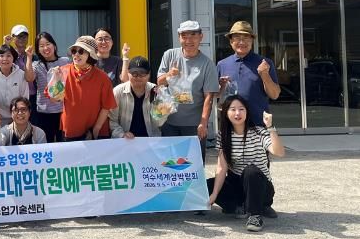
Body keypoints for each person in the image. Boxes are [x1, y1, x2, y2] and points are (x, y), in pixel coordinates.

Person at [208, 95, 285, 232]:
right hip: (239, 185)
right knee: (208, 185)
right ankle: (240, 207)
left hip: (261, 187)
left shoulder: (259, 132)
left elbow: (279, 152)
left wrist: (270, 127)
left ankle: (255, 215)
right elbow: (221, 167)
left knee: (251, 171)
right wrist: (214, 194)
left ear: (247, 112)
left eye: (241, 109)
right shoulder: (224, 135)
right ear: (226, 113)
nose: (237, 113)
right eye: (233, 109)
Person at [156, 20, 219, 163]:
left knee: (193, 164)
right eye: (184, 36)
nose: (189, 40)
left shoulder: (207, 64)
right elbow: (159, 81)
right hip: (168, 121)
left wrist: (203, 123)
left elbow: (208, 97)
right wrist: (169, 74)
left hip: (194, 125)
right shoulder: (169, 55)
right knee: (169, 164)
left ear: (201, 37)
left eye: (193, 35)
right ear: (179, 37)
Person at [217, 21, 281, 126]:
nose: (242, 42)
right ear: (231, 41)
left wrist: (264, 75)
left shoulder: (265, 63)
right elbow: (216, 95)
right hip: (230, 125)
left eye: (246, 38)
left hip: (257, 124)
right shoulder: (222, 64)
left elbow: (274, 95)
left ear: (252, 40)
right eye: (237, 38)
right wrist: (222, 86)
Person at [57, 36, 116, 141]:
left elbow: (106, 106)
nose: (76, 54)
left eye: (81, 51)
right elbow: (54, 98)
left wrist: (96, 128)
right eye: (74, 51)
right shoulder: (62, 71)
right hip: (71, 130)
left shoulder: (103, 77)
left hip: (96, 131)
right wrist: (55, 79)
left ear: (90, 55)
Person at [25, 32, 70, 142]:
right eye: (41, 46)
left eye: (48, 44)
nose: (45, 48)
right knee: (46, 145)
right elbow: (29, 78)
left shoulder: (65, 61)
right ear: (38, 50)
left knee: (63, 144)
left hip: (63, 111)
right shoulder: (37, 65)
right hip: (43, 113)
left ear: (54, 45)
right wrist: (29, 58)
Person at [109, 56, 161, 139]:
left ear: (149, 75)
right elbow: (112, 120)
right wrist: (121, 134)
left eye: (142, 74)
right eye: (134, 73)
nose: (138, 77)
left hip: (151, 139)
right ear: (128, 73)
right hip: (125, 141)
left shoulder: (155, 91)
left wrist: (164, 112)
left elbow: (159, 123)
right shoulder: (118, 92)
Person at [0, 44, 29, 128]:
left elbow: (25, 98)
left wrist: (16, 117)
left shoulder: (21, 74)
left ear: (13, 58)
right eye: (1, 56)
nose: (5, 59)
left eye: (8, 56)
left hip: (16, 119)